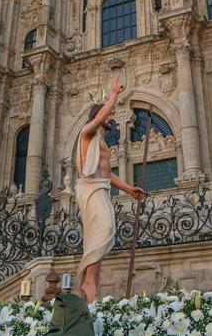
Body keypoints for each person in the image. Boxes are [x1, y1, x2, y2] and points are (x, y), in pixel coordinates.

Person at [75, 76, 145, 302]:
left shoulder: (102, 143)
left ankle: (92, 284)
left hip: (101, 189)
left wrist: (128, 189)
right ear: (98, 117)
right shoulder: (87, 132)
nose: (112, 117)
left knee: (101, 236)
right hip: (90, 190)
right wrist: (114, 94)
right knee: (102, 230)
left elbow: (107, 174)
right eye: (108, 115)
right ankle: (87, 282)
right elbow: (102, 115)